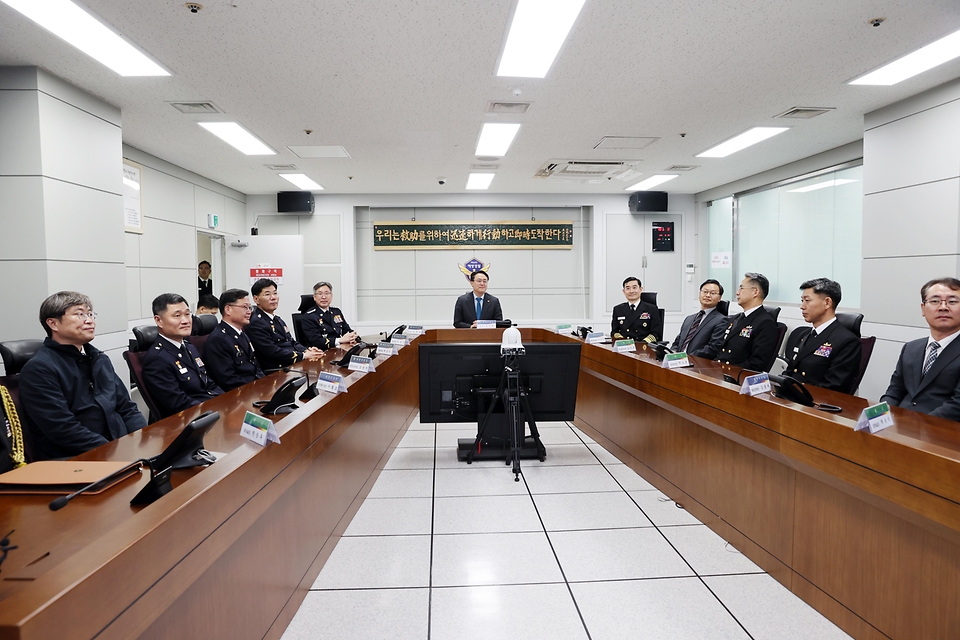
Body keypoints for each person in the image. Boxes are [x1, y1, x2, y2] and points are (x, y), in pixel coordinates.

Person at [18, 291, 146, 460]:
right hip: (76, 460)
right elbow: (63, 429)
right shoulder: (39, 369)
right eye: (79, 314)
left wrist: (143, 438)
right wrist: (114, 451)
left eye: (90, 314)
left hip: (117, 450)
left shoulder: (99, 359)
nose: (89, 320)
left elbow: (126, 408)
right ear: (53, 323)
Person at [881, 277, 960, 421]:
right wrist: (875, 418)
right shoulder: (911, 348)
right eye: (935, 301)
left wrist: (914, 428)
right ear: (923, 309)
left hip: (943, 433)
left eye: (952, 301)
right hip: (900, 428)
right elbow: (894, 393)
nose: (943, 307)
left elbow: (957, 406)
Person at [142, 293, 223, 418]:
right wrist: (215, 409)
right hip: (189, 421)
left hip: (210, 411)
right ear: (159, 320)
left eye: (187, 314)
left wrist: (226, 402)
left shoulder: (189, 347)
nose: (185, 321)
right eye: (177, 316)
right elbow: (179, 404)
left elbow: (209, 383)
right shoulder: (157, 359)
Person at [783, 278, 862, 394]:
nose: (802, 306)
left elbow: (832, 387)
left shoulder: (847, 342)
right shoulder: (804, 335)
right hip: (792, 398)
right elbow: (790, 372)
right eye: (802, 301)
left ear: (827, 303)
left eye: (807, 300)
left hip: (815, 404)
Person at [246, 278, 323, 371]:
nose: (273, 297)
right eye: (267, 294)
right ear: (256, 299)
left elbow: (292, 342)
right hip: (277, 370)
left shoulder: (277, 319)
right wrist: (303, 355)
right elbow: (272, 351)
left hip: (290, 365)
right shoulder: (256, 323)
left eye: (275, 293)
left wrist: (307, 350)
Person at [203, 289, 265, 391]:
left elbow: (255, 368)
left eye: (250, 307)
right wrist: (257, 388)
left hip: (253, 388)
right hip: (238, 395)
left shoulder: (241, 334)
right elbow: (228, 380)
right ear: (228, 309)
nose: (249, 311)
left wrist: (265, 383)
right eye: (245, 307)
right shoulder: (218, 339)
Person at [716, 272, 778, 371]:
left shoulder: (765, 323)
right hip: (721, 371)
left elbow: (757, 363)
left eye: (741, 288)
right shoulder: (737, 318)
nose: (737, 292)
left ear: (755, 292)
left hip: (737, 377)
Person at [670, 279, 728, 358]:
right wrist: (672, 353)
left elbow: (713, 348)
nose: (708, 295)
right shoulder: (689, 319)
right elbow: (677, 342)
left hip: (698, 364)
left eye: (713, 293)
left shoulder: (722, 320)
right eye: (705, 291)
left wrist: (685, 357)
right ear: (699, 294)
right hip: (678, 362)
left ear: (719, 298)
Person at [301, 281, 359, 350]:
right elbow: (316, 341)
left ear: (331, 296)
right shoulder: (309, 317)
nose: (324, 297)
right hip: (321, 354)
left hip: (340, 351)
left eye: (327, 293)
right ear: (314, 297)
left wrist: (353, 337)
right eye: (320, 294)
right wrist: (340, 340)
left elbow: (346, 330)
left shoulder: (336, 312)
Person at [611, 277, 661, 343]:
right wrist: (622, 341)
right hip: (625, 346)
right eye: (628, 288)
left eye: (634, 287)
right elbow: (614, 332)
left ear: (641, 289)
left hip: (644, 346)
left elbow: (656, 332)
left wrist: (643, 343)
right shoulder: (618, 309)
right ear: (624, 291)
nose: (631, 291)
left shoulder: (652, 309)